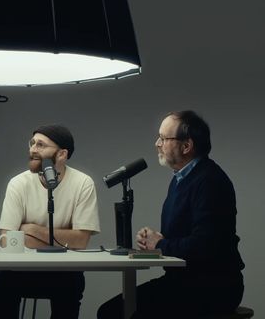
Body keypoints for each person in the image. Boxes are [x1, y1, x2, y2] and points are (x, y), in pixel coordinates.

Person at [97, 110, 245, 319]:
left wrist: (160, 244)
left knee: (120, 314)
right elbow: (183, 235)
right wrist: (153, 239)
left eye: (164, 138)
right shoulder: (181, 179)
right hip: (183, 281)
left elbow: (205, 245)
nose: (157, 143)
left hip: (213, 286)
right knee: (111, 312)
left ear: (186, 146)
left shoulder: (210, 181)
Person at [0, 124, 101, 319]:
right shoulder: (18, 183)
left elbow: (81, 240)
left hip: (64, 270)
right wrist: (64, 239)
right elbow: (8, 241)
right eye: (32, 143)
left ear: (62, 154)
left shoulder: (83, 183)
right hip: (21, 270)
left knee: (71, 287)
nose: (33, 149)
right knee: (1, 287)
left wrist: (30, 230)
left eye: (41, 145)